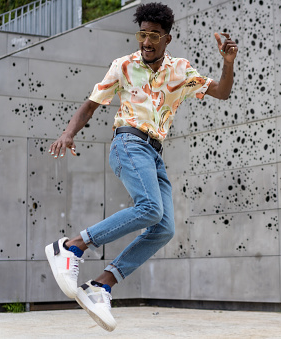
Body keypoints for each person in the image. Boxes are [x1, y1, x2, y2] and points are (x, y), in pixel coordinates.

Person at [44, 2, 237, 332]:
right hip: (128, 143)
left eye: (154, 36)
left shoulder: (181, 71)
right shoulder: (123, 66)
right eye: (142, 34)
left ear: (167, 38)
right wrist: (68, 133)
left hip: (155, 154)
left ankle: (101, 284)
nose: (146, 42)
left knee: (164, 228)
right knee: (149, 208)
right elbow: (91, 104)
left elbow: (221, 91)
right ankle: (72, 245)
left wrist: (228, 63)